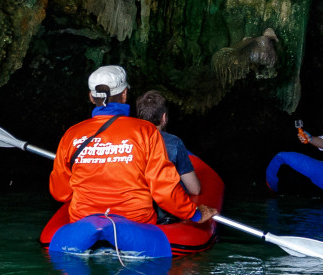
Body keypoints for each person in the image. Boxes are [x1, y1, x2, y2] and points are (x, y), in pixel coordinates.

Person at [51, 66, 210, 226]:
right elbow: (164, 190)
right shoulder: (146, 132)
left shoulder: (71, 135)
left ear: (91, 97)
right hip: (136, 223)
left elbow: (60, 192)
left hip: (84, 221)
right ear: (124, 94)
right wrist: (194, 214)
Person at [134, 89, 201, 196]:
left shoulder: (128, 140)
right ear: (164, 117)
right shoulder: (174, 143)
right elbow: (194, 189)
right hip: (163, 202)